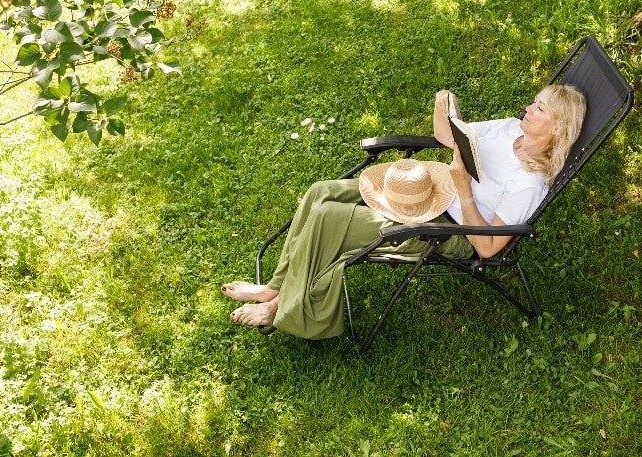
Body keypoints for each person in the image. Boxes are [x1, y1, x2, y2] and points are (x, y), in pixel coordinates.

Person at [220, 84, 587, 339]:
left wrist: (463, 190)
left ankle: (283, 307)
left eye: (539, 108)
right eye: (534, 102)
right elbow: (449, 136)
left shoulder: (529, 182)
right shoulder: (510, 129)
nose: (528, 107)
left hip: (451, 230)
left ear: (558, 128)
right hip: (429, 190)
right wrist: (443, 105)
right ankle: (275, 287)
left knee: (330, 218)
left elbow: (488, 248)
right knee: (321, 192)